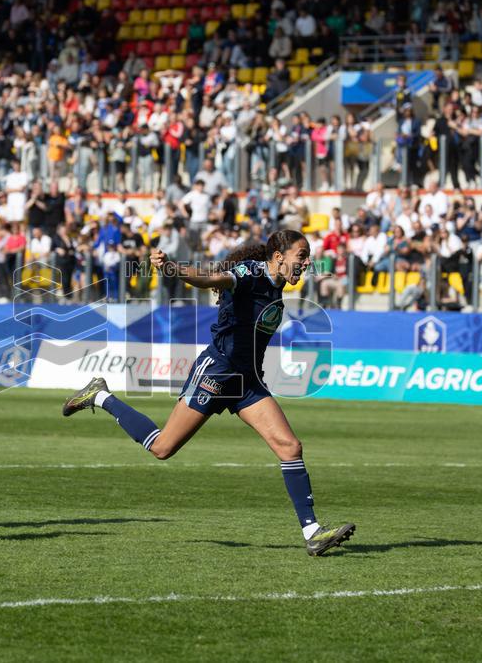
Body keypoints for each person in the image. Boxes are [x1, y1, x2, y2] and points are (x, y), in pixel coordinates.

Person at [62, 230, 356, 556]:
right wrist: (172, 268)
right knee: (162, 448)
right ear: (278, 256)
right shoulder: (250, 273)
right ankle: (102, 396)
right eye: (302, 255)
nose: (307, 262)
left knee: (290, 446)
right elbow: (208, 279)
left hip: (246, 381)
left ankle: (313, 532)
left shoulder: (276, 286)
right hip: (215, 373)